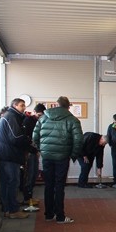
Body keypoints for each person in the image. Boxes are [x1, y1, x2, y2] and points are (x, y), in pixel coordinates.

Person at [33, 96, 82, 224]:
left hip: (47, 157)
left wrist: (42, 150)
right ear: (68, 106)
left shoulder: (43, 117)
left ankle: (49, 215)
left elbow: (35, 136)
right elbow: (78, 140)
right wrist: (73, 155)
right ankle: (60, 216)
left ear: (56, 104)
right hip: (62, 157)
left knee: (48, 185)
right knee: (59, 186)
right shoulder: (73, 120)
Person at [0, 98, 31, 219]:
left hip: (6, 154)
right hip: (10, 156)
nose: (24, 107)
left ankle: (7, 209)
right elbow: (16, 137)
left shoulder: (9, 116)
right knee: (12, 182)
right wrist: (29, 144)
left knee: (6, 183)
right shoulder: (11, 117)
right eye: (22, 105)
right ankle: (13, 210)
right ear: (15, 105)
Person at [22, 103, 46, 205]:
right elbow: (26, 138)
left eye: (42, 116)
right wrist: (32, 149)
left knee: (34, 174)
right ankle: (27, 198)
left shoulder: (40, 121)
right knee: (30, 175)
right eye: (39, 115)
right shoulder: (27, 121)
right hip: (29, 152)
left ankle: (29, 197)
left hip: (35, 151)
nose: (40, 117)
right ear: (34, 112)